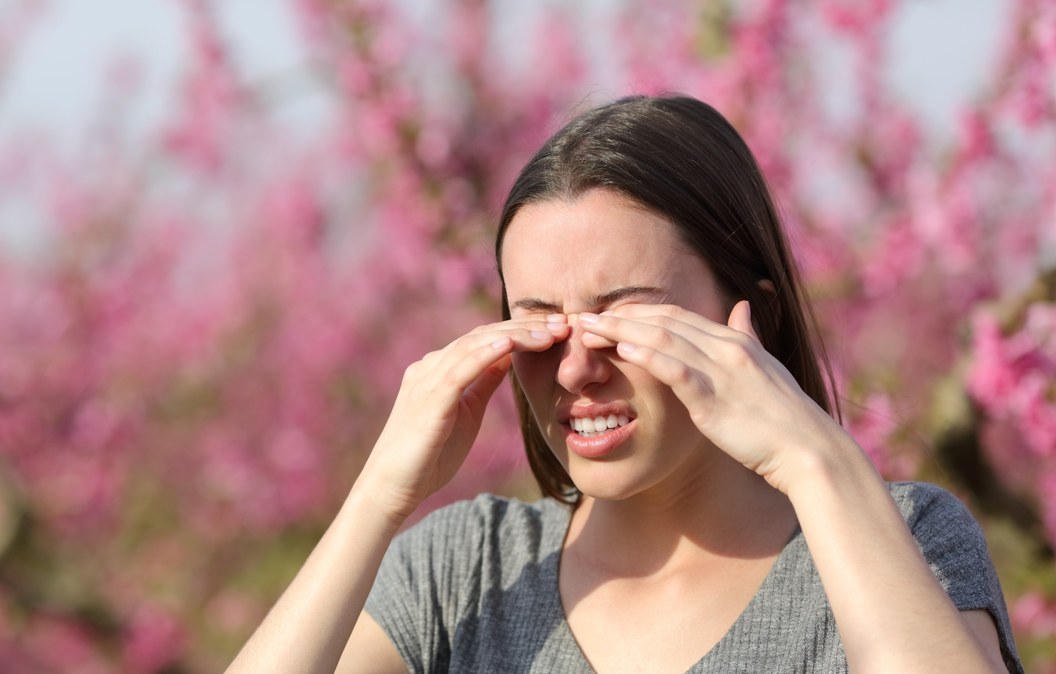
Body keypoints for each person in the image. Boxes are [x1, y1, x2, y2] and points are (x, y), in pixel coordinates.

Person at [227, 94, 1023, 673]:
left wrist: (815, 462)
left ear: (753, 318)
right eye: (539, 325)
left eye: (626, 322)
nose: (576, 369)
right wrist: (376, 500)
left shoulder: (901, 543)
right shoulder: (463, 574)